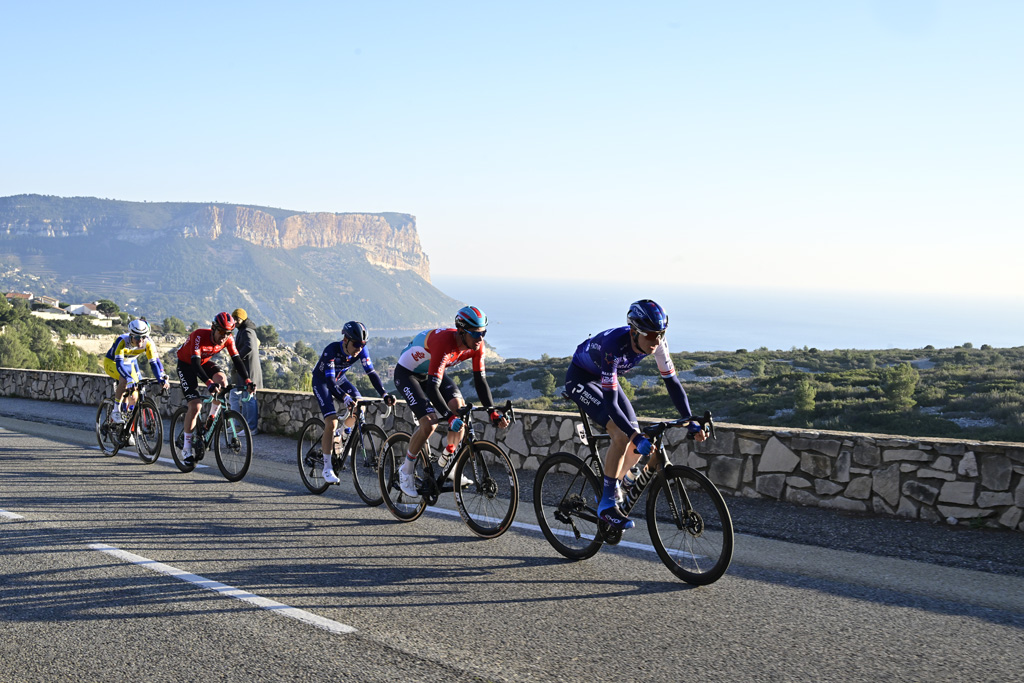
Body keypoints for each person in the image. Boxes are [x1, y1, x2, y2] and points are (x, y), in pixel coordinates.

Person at [564, 299, 707, 529]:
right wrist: (633, 436)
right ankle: (606, 505)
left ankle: (613, 485)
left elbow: (672, 383)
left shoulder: (658, 343)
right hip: (581, 377)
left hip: (605, 379)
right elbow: (611, 403)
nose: (656, 341)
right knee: (622, 436)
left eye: (660, 334)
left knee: (636, 437)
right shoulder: (613, 346)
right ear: (634, 331)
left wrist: (690, 422)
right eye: (650, 335)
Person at [392, 306, 509, 497]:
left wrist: (492, 411)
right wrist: (447, 416)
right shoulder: (444, 343)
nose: (480, 339)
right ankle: (406, 471)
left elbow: (480, 381)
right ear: (461, 331)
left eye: (484, 333)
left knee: (461, 411)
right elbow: (431, 388)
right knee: (429, 424)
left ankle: (449, 465)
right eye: (476, 334)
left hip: (430, 373)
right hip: (408, 374)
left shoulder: (477, 345)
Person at [311, 321, 396, 483]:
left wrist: (384, 394)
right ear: (345, 340)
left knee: (359, 408)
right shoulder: (331, 350)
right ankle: (327, 468)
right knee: (331, 423)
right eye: (356, 344)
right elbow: (329, 382)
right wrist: (344, 397)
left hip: (340, 379)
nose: (359, 348)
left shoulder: (361, 351)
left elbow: (371, 373)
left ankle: (342, 435)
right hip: (322, 381)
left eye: (363, 344)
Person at [175, 312, 256, 465]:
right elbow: (195, 365)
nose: (224, 336)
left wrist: (248, 380)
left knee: (223, 381)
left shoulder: (228, 339)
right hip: (187, 364)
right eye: (221, 332)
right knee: (196, 405)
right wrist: (209, 383)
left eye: (229, 333)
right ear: (213, 328)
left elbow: (237, 360)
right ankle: (186, 448)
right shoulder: (199, 335)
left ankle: (210, 420)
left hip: (203, 362)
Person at [102, 318, 170, 422]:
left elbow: (154, 363)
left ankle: (128, 425)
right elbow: (119, 364)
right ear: (131, 335)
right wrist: (129, 378)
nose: (141, 340)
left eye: (143, 337)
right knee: (124, 380)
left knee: (134, 396)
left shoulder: (148, 343)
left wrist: (161, 378)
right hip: (112, 363)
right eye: (138, 337)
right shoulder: (122, 340)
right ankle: (115, 411)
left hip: (130, 364)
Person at [229, 308, 262, 434]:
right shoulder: (244, 330)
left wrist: (237, 358)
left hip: (249, 370)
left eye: (237, 319)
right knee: (243, 398)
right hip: (244, 370)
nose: (235, 322)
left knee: (249, 399)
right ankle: (241, 425)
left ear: (243, 319)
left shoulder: (247, 331)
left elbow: (249, 347)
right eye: (234, 319)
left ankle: (251, 428)